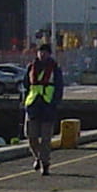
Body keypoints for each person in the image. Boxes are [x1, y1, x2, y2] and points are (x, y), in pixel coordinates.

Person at [21, 43, 64, 175]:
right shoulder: (31, 67)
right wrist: (24, 101)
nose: (42, 54)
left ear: (49, 54)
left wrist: (55, 103)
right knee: (31, 136)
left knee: (46, 139)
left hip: (47, 106)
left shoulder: (55, 69)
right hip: (33, 106)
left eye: (45, 52)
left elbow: (59, 87)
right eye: (40, 52)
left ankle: (45, 164)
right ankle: (37, 157)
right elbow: (26, 86)